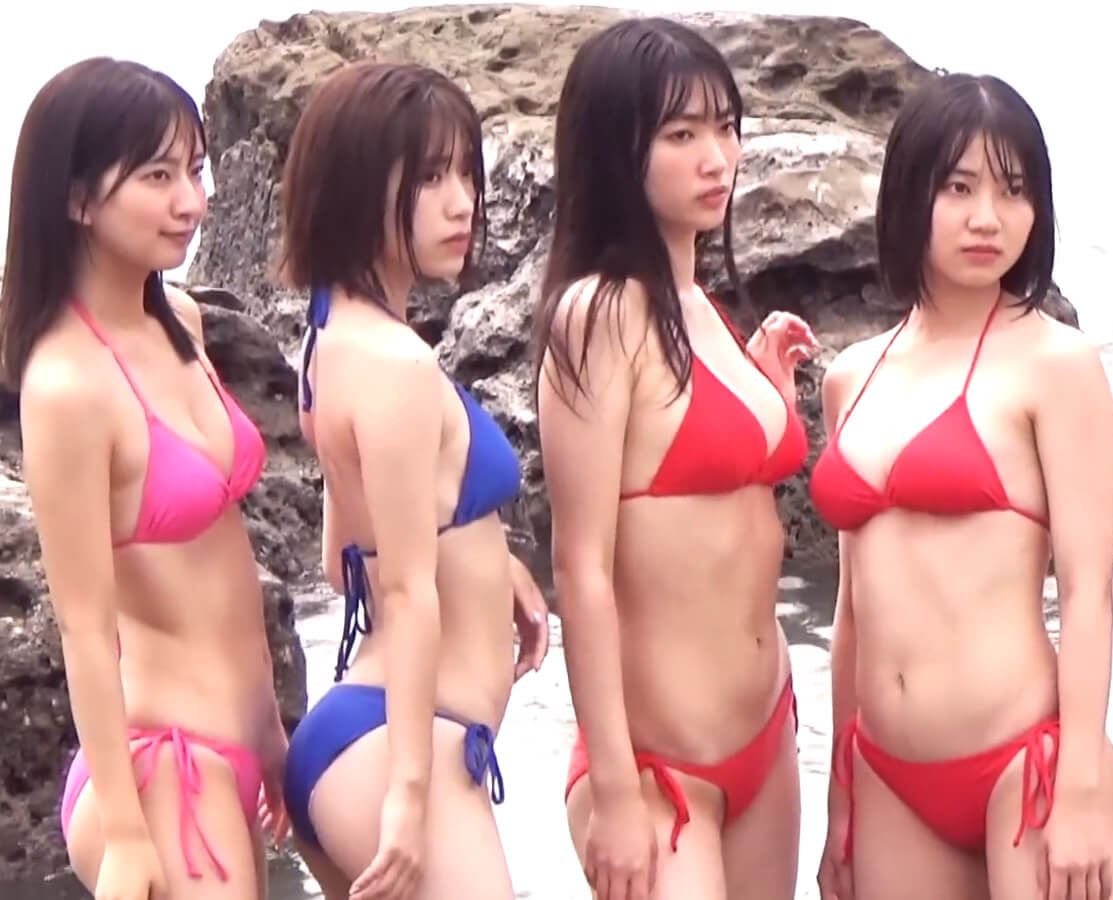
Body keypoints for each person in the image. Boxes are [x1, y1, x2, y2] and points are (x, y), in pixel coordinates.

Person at [809, 72, 1113, 900]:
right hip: (887, 778)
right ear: (908, 193)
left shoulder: (1055, 363)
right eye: (958, 188)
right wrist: (841, 797)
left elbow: (1089, 592)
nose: (988, 217)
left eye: (1013, 190)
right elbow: (851, 608)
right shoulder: (850, 376)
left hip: (1024, 764)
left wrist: (1080, 788)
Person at [531, 16, 819, 900]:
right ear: (616, 151)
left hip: (766, 732)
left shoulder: (700, 305)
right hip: (659, 768)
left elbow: (705, 472)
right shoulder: (599, 314)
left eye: (726, 128)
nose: (717, 158)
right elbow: (580, 569)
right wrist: (616, 792)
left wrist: (765, 388)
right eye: (682, 135)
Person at [1, 57, 289, 899]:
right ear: (78, 198)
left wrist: (270, 734)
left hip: (236, 755)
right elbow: (85, 626)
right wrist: (127, 835)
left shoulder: (182, 323)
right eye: (158, 177)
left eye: (195, 170)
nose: (191, 202)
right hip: (160, 773)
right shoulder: (67, 384)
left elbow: (225, 560)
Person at [276, 61, 549, 900]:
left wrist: (489, 563)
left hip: (350, 740)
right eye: (430, 178)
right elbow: (402, 591)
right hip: (404, 745)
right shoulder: (397, 363)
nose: (462, 202)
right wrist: (408, 796)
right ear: (357, 186)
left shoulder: (329, 338)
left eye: (466, 172)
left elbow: (343, 561)